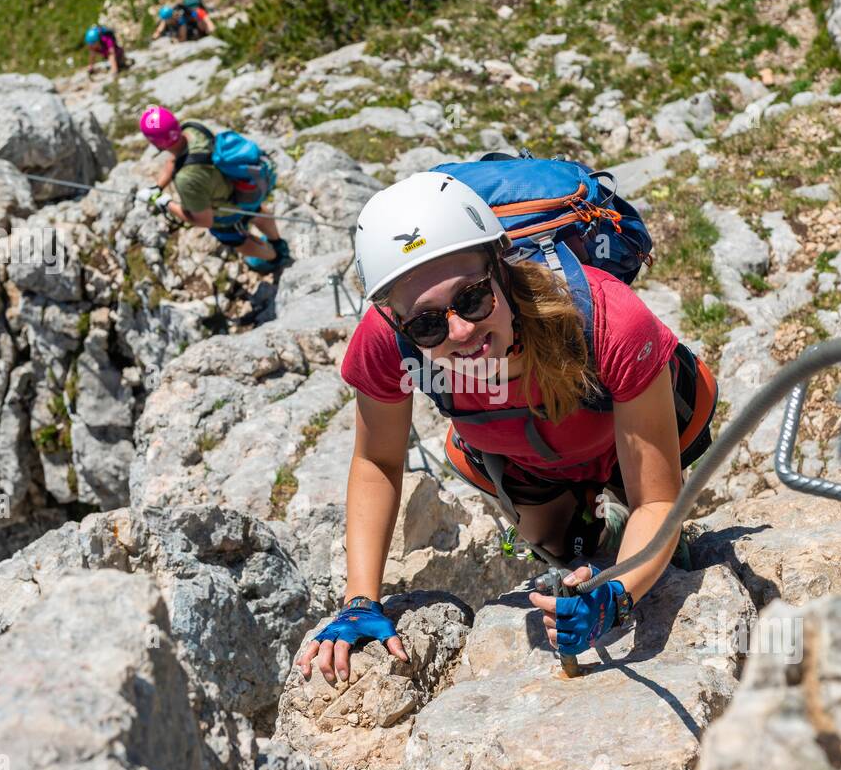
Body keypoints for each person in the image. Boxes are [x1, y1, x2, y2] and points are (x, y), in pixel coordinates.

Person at [296, 171, 716, 685]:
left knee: (657, 554)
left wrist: (620, 592)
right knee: (565, 554)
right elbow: (377, 461)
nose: (461, 331)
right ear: (397, 321)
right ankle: (591, 539)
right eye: (426, 324)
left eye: (472, 298)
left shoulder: (608, 317)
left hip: (627, 440)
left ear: (501, 265)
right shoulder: (387, 342)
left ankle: (626, 542)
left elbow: (656, 501)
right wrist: (360, 600)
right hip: (522, 457)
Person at [138, 105, 290, 272]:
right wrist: (157, 187)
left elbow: (204, 220)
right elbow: (175, 158)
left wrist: (166, 203)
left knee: (235, 239)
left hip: (227, 210)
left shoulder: (186, 179)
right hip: (244, 187)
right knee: (257, 211)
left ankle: (275, 258)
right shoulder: (193, 128)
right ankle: (278, 243)